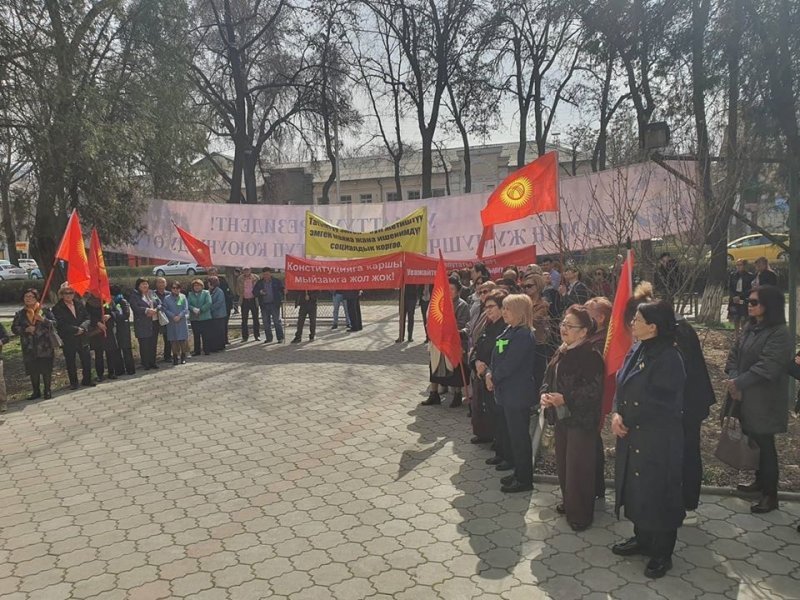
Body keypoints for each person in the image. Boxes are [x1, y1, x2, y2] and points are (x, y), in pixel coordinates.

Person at [611, 300, 686, 579]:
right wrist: (616, 412)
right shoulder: (638, 347)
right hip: (632, 433)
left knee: (659, 492)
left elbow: (663, 403)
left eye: (638, 320)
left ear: (653, 327)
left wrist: (628, 419)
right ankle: (642, 538)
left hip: (658, 438)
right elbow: (622, 382)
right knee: (636, 488)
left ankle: (662, 553)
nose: (633, 323)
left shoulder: (669, 357)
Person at [724, 285, 793, 514]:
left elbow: (768, 366)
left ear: (769, 305)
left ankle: (770, 495)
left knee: (765, 444)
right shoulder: (750, 327)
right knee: (754, 440)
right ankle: (759, 482)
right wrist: (735, 379)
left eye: (754, 302)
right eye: (749, 301)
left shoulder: (780, 333)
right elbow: (734, 354)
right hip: (744, 395)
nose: (749, 306)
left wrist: (739, 383)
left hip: (765, 399)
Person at [541, 305, 605, 530]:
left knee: (578, 467)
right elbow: (548, 376)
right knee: (564, 464)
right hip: (562, 418)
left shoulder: (591, 356)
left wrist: (565, 398)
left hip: (581, 420)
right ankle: (570, 502)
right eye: (563, 324)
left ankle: (580, 514)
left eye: (570, 326)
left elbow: (593, 391)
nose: (564, 329)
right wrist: (545, 394)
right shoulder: (562, 350)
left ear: (584, 331)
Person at [485, 293, 536, 493]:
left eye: (508, 309)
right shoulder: (510, 330)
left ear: (520, 312)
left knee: (520, 438)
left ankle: (524, 480)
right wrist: (489, 372)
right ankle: (518, 472)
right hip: (506, 393)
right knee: (513, 437)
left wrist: (493, 377)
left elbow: (510, 363)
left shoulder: (523, 335)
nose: (504, 312)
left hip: (517, 395)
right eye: (504, 308)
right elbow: (497, 355)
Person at [675, 314, 716, 511]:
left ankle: (688, 503)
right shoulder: (674, 325)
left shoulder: (678, 330)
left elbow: (680, 370)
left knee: (688, 451)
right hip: (685, 402)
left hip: (689, 402)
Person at [422, 277, 470, 408]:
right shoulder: (440, 303)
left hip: (455, 342)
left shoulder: (462, 305)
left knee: (456, 369)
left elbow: (462, 324)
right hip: (439, 341)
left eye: (452, 289)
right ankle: (434, 394)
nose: (449, 291)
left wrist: (448, 329)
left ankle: (457, 394)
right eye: (447, 289)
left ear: (458, 291)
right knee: (434, 366)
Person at [469, 287, 506, 445]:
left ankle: (497, 440)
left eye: (491, 306)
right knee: (481, 407)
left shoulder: (505, 328)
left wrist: (487, 369)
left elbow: (501, 354)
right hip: (481, 373)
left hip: (492, 375)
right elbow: (478, 346)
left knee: (494, 409)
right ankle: (484, 434)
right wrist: (476, 361)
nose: (488, 310)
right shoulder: (489, 325)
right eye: (486, 307)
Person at [585, 295, 613, 498]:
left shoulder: (602, 341)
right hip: (587, 399)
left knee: (590, 443)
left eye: (587, 313)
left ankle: (593, 488)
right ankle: (595, 487)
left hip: (591, 399)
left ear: (601, 318)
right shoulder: (593, 336)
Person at [11, 289, 56, 402]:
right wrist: (25, 329)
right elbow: (14, 328)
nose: (28, 298)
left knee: (46, 369)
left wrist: (43, 320)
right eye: (26, 296)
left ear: (36, 298)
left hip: (44, 345)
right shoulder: (20, 313)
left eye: (31, 296)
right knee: (33, 370)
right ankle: (36, 391)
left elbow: (55, 324)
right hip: (29, 346)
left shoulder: (44, 310)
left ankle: (47, 390)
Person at [52, 285, 96, 388]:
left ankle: (87, 380)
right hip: (69, 337)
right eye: (66, 293)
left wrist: (83, 327)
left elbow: (87, 317)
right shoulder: (57, 308)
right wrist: (75, 329)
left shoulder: (79, 304)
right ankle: (74, 382)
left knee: (86, 359)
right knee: (70, 361)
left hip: (82, 336)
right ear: (61, 294)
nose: (68, 295)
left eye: (71, 293)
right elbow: (60, 323)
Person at [521, 274, 551, 389]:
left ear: (538, 286)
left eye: (529, 286)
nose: (526, 289)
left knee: (538, 374)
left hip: (537, 343)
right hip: (524, 342)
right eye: (524, 286)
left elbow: (532, 320)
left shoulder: (543, 304)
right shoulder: (523, 303)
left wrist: (520, 318)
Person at [85, 294, 119, 380]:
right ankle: (100, 374)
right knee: (98, 353)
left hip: (108, 329)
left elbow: (116, 311)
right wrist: (97, 323)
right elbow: (88, 316)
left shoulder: (108, 300)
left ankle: (112, 372)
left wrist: (109, 315)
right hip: (97, 331)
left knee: (110, 351)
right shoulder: (89, 303)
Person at [253, 268, 285, 343]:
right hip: (264, 305)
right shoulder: (260, 282)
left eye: (267, 274)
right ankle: (269, 338)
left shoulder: (276, 281)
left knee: (276, 321)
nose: (266, 276)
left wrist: (284, 291)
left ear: (270, 274)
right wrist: (260, 292)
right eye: (264, 274)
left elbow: (282, 290)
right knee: (266, 322)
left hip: (274, 304)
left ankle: (280, 338)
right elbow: (254, 292)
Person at [162, 281, 190, 365]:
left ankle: (183, 357)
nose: (175, 289)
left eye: (177, 288)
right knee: (173, 340)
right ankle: (175, 357)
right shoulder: (166, 298)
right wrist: (173, 316)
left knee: (183, 340)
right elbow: (165, 309)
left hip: (181, 321)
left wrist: (180, 316)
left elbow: (185, 308)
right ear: (171, 289)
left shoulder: (183, 296)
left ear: (180, 288)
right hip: (172, 322)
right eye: (173, 288)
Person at [110, 285, 136, 375]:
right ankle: (119, 370)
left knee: (126, 349)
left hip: (123, 329)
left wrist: (113, 314)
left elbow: (126, 315)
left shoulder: (122, 301)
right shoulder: (109, 302)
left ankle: (130, 369)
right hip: (114, 329)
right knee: (116, 350)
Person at [727, 260, 754, 336]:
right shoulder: (733, 275)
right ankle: (736, 336)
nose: (738, 267)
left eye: (740, 265)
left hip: (743, 299)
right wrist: (734, 296)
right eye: (737, 265)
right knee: (735, 317)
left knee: (743, 317)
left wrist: (740, 297)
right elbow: (730, 287)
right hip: (734, 299)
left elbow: (749, 289)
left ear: (745, 266)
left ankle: (743, 335)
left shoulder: (750, 276)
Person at [208, 268, 233, 345]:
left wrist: (229, 305)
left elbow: (228, 293)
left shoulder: (222, 281)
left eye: (214, 273)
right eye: (210, 274)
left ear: (217, 273)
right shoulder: (207, 282)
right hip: (212, 309)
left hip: (224, 306)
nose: (212, 275)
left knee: (224, 324)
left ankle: (225, 339)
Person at [188, 278, 212, 356]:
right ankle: (197, 351)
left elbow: (209, 303)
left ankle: (206, 350)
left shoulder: (206, 293)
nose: (197, 287)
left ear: (202, 286)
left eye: (198, 285)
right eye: (195, 285)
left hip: (205, 317)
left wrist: (200, 310)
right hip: (194, 318)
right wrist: (193, 309)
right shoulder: (190, 294)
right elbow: (188, 304)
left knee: (206, 335)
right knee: (196, 335)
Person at [236, 267, 261, 341]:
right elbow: (237, 289)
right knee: (244, 320)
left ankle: (257, 335)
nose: (246, 271)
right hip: (244, 300)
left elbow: (259, 287)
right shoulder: (240, 278)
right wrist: (241, 294)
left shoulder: (256, 277)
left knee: (256, 319)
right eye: (245, 270)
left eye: (248, 270)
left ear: (250, 270)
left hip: (254, 300)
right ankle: (245, 337)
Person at [153, 277, 172, 363]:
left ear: (166, 284)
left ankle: (167, 356)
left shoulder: (169, 294)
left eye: (163, 282)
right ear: (156, 284)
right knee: (154, 339)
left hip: (167, 318)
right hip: (155, 319)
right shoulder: (152, 294)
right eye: (159, 282)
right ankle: (152, 359)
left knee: (168, 338)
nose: (161, 284)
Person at [208, 276, 227, 352]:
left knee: (219, 331)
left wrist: (210, 308)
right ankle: (214, 346)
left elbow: (219, 303)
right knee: (214, 331)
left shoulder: (219, 291)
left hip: (219, 315)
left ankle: (220, 346)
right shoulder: (209, 291)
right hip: (213, 315)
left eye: (209, 283)